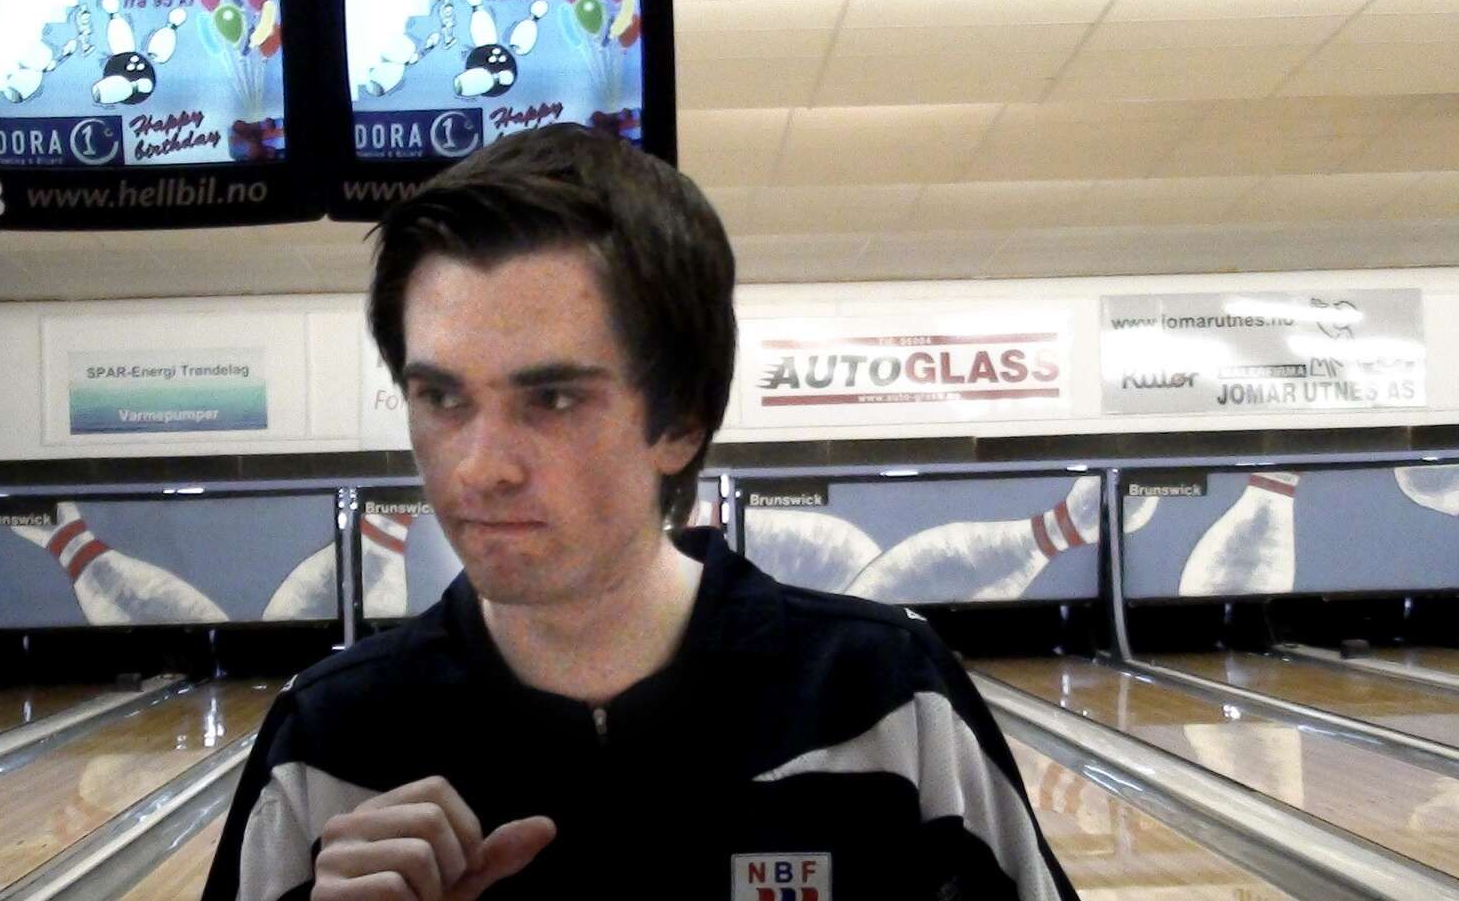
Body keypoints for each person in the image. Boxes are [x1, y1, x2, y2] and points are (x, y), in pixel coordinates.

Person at [202, 124, 1078, 901]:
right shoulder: (327, 742)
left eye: (552, 399)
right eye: (441, 396)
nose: (479, 467)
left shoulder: (889, 701)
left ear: (682, 420)